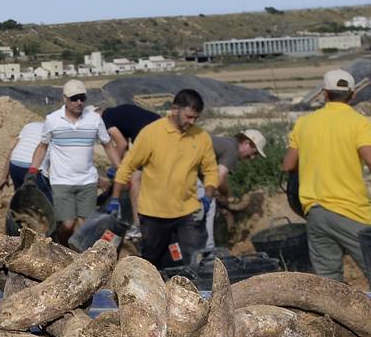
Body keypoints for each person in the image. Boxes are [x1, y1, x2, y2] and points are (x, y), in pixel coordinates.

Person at [284, 70, 371, 282]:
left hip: (315, 213)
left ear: (324, 94)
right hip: (352, 213)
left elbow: (288, 164)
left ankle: (329, 316)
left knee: (328, 283)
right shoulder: (359, 123)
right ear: (353, 95)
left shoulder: (304, 124)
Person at [112, 89, 218, 269]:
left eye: (195, 119)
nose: (192, 122)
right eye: (189, 117)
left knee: (193, 262)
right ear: (175, 109)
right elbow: (127, 167)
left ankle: (194, 293)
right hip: (153, 214)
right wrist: (115, 198)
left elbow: (211, 171)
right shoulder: (151, 133)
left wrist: (207, 198)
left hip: (188, 212)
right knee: (152, 263)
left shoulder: (201, 137)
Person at [26, 80, 123, 243]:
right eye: (74, 98)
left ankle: (85, 259)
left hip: (87, 181)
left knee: (86, 226)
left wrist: (120, 168)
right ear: (65, 98)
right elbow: (42, 146)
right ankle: (62, 245)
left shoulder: (94, 120)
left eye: (82, 98)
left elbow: (107, 145)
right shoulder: (53, 120)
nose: (79, 102)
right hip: (61, 181)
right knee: (68, 225)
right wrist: (33, 170)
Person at [97, 101, 161, 230]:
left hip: (148, 135)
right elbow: (125, 144)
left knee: (135, 179)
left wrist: (115, 168)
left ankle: (138, 225)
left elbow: (121, 144)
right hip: (162, 128)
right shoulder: (118, 113)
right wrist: (120, 166)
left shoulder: (104, 120)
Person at [200, 129, 268, 244]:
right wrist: (226, 194)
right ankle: (207, 251)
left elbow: (211, 173)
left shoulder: (227, 143)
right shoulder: (232, 151)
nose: (252, 157)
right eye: (254, 152)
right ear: (247, 143)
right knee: (208, 205)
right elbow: (218, 178)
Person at [0, 119, 53, 204]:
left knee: (22, 202)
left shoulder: (30, 125)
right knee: (50, 203)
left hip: (15, 164)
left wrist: (4, 176)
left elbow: (13, 150)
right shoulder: (57, 130)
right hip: (34, 168)